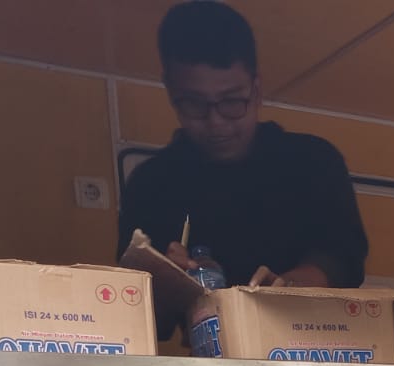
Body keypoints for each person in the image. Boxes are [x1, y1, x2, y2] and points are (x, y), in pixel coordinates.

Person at [117, 2, 369, 301]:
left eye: (232, 101)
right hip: (210, 344)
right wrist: (160, 284)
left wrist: (296, 284)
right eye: (194, 103)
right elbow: (134, 306)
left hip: (308, 340)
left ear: (257, 88)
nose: (216, 122)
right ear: (171, 91)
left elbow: (346, 255)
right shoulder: (151, 185)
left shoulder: (314, 163)